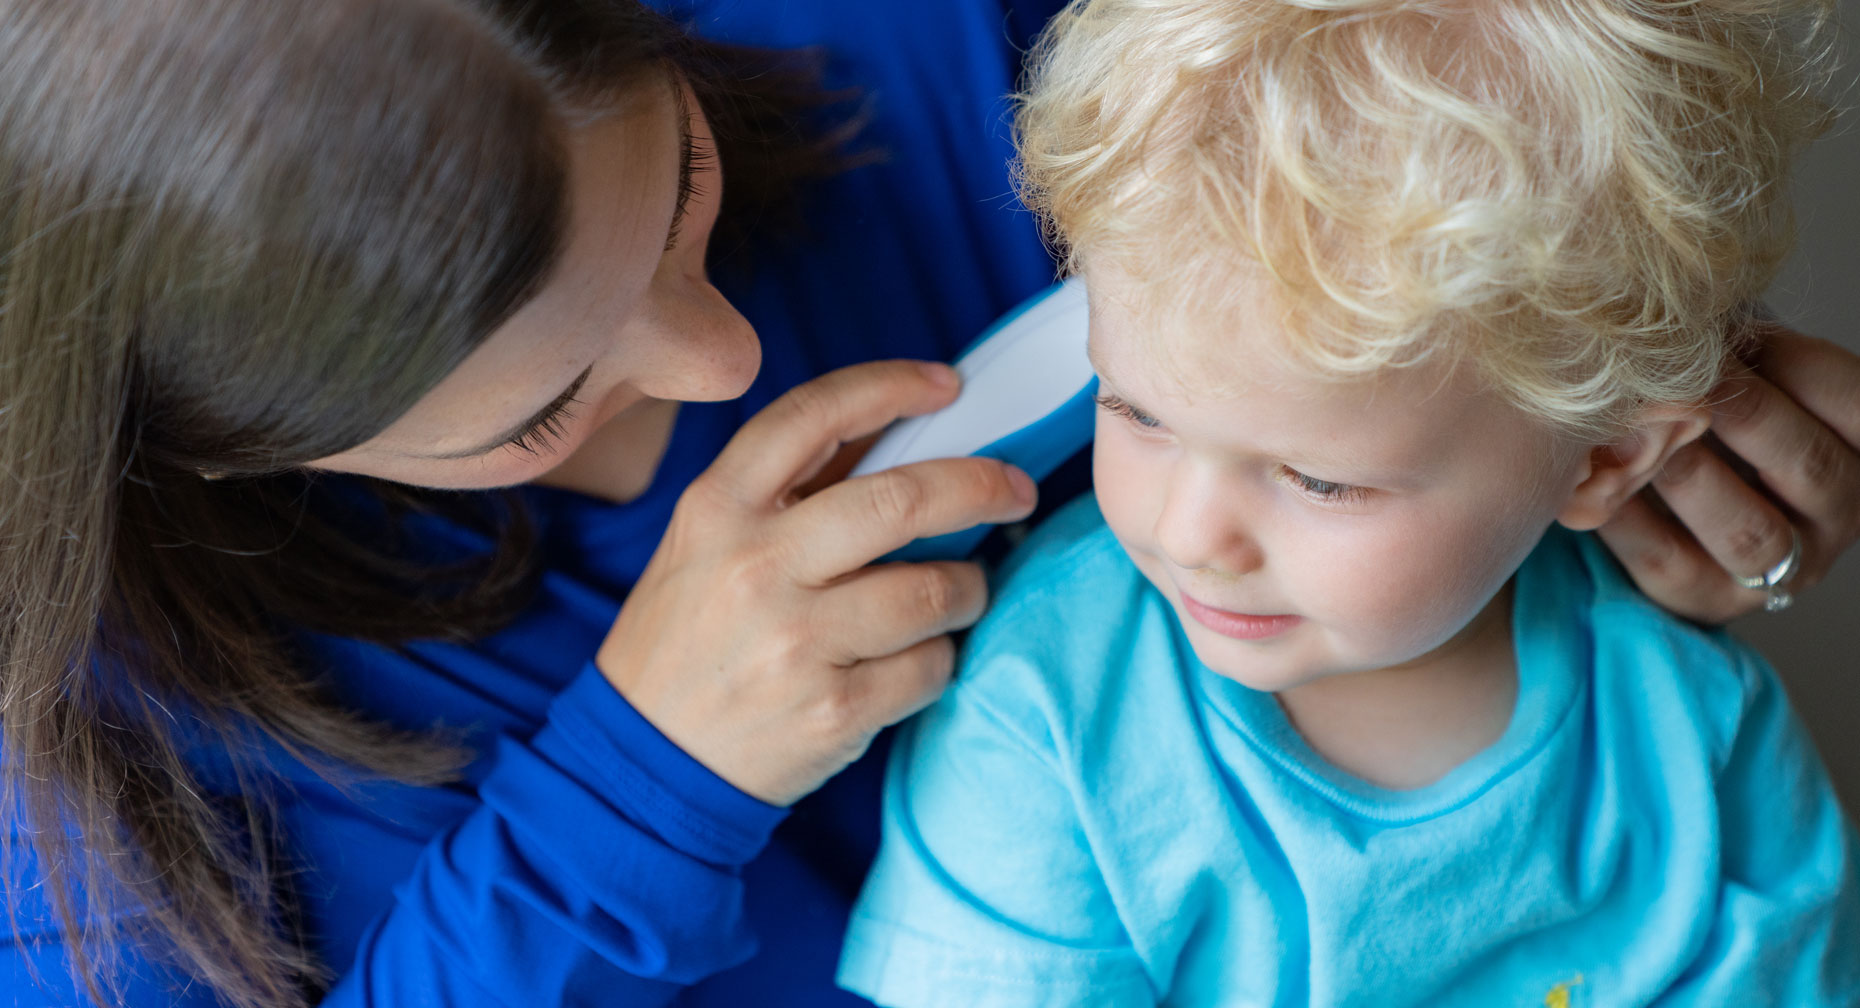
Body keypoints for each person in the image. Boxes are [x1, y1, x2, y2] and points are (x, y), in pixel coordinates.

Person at [0, 1, 1855, 1006]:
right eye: (542, 404)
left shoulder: (965, 50)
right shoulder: (75, 790)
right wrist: (639, 781)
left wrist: (1591, 376)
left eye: (688, 193)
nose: (726, 362)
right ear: (217, 448)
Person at [838, 0, 1860, 1004]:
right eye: (1139, 414)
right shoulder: (1048, 710)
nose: (1191, 535)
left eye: (1321, 479)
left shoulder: (1695, 731)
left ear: (1605, 461)